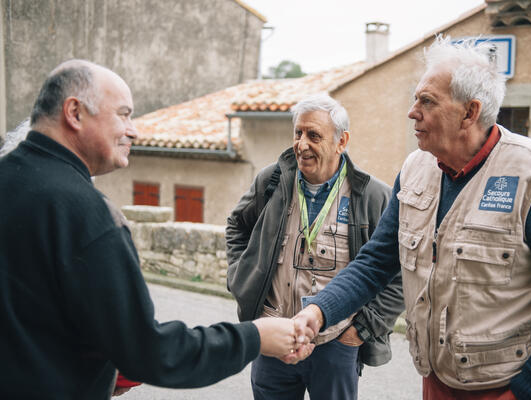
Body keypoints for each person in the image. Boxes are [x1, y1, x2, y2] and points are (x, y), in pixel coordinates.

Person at [292, 36, 531, 400]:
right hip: (436, 383)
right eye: (415, 99)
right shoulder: (414, 170)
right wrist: (317, 312)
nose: (412, 111)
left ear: (469, 112)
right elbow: (375, 263)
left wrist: (528, 391)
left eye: (427, 101)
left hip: (509, 391)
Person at [0, 59, 308, 399]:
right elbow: (150, 353)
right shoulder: (86, 215)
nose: (133, 130)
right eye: (123, 114)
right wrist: (255, 337)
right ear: (75, 113)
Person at [226, 93, 404, 400]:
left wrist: (361, 329)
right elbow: (237, 226)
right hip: (274, 335)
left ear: (341, 141)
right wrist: (241, 279)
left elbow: (399, 268)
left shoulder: (372, 196)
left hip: (336, 341)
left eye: (314, 135)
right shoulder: (271, 181)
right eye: (298, 133)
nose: (302, 144)